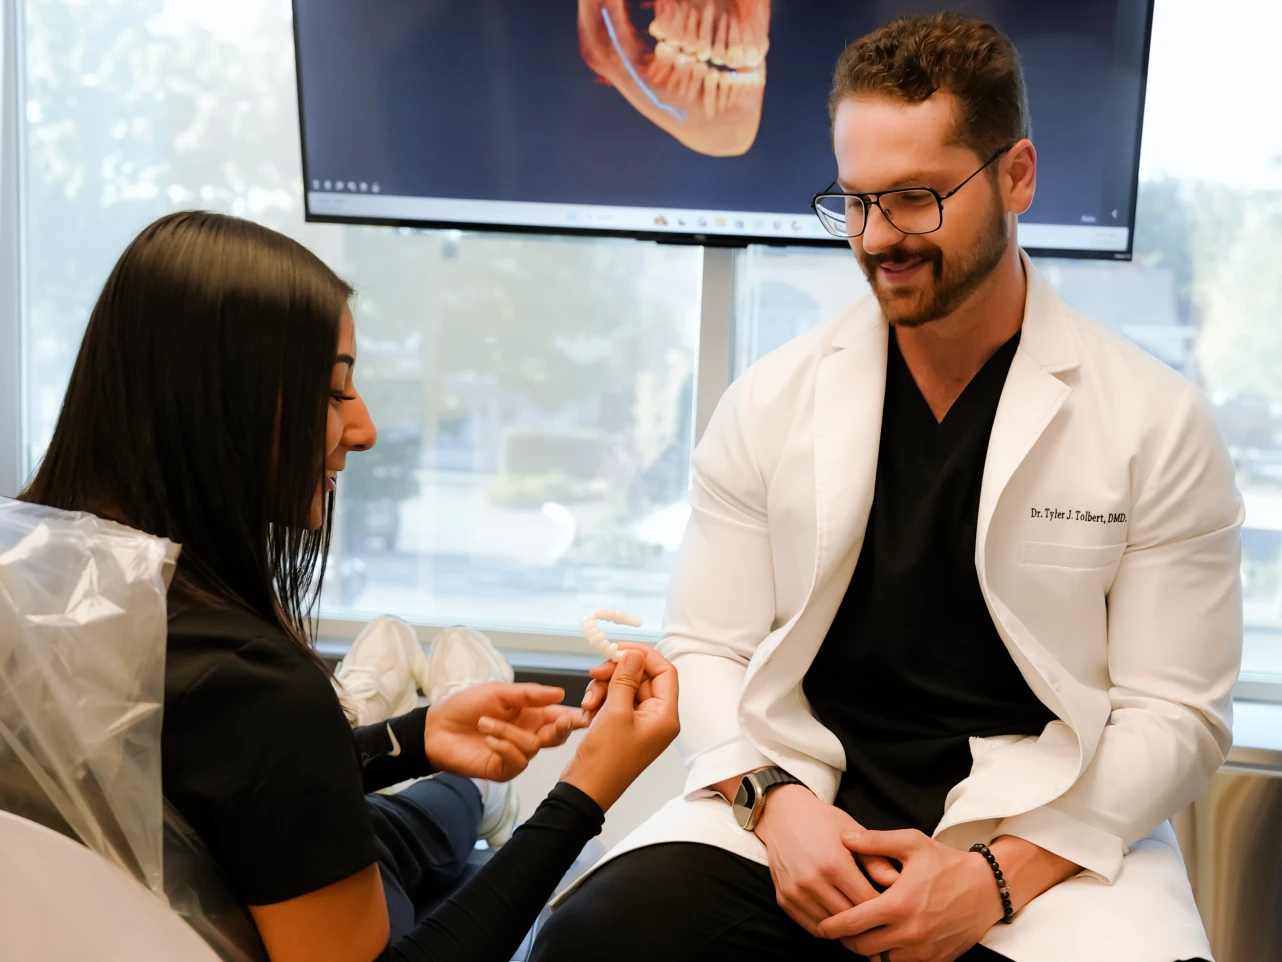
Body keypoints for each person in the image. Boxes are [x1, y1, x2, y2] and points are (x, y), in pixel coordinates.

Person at [534, 12, 1238, 962]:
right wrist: (773, 806)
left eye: (914, 198)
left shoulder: (1154, 419)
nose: (877, 240)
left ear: (1017, 175)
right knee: (597, 938)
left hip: (1042, 833)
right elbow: (708, 645)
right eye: (855, 202)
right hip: (807, 810)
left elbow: (1177, 714)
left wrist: (993, 879)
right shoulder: (774, 398)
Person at [20, 209, 680, 962]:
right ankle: (481, 801)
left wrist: (409, 741)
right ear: (221, 402)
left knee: (395, 824)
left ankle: (445, 767)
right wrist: (586, 793)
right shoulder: (253, 685)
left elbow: (207, 775)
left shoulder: (35, 595)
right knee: (425, 849)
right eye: (335, 393)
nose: (363, 428)